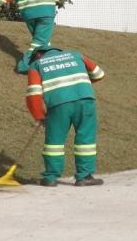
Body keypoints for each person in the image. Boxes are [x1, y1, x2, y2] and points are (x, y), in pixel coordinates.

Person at [25, 45, 105, 187]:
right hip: (85, 100)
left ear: (38, 55)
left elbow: (33, 94)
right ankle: (85, 176)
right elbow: (99, 74)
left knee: (54, 142)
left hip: (58, 105)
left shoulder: (36, 65)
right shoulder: (76, 55)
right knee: (85, 139)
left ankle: (50, 178)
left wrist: (39, 115)